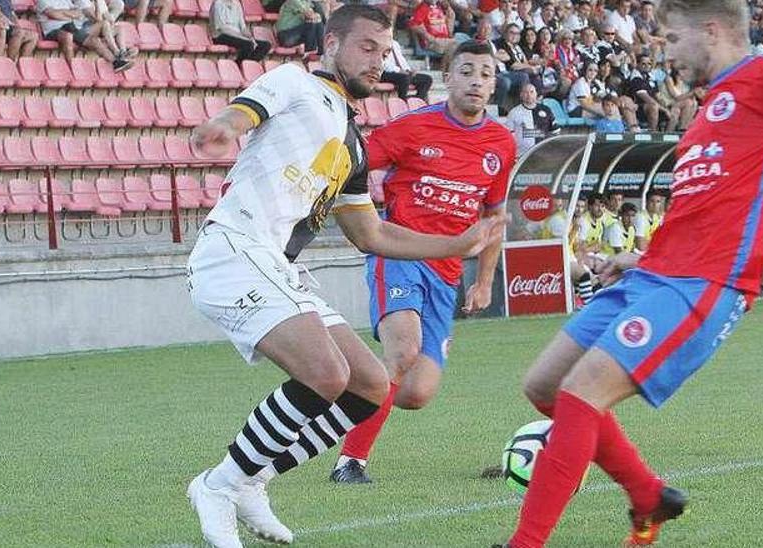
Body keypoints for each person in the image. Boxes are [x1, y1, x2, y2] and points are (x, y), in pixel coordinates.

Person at [492, 0, 763, 544]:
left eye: (671, 39)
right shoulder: (715, 104)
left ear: (710, 30)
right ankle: (648, 495)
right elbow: (706, 206)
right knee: (545, 385)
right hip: (655, 275)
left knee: (579, 394)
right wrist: (640, 258)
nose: (666, 51)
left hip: (706, 284)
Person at [183, 7, 503, 548]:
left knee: (372, 386)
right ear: (331, 43)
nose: (378, 60)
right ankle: (219, 485)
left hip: (277, 265)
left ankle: (254, 479)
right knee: (326, 374)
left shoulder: (353, 144)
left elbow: (373, 235)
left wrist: (458, 244)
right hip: (234, 249)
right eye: (366, 47)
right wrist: (222, 126)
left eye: (384, 51)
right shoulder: (293, 82)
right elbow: (245, 113)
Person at [329, 40, 516, 484]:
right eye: (467, 70)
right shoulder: (411, 127)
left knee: (416, 393)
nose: (476, 81)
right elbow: (347, 167)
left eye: (485, 74)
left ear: (493, 85)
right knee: (403, 351)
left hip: (447, 272)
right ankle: (349, 462)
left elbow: (493, 218)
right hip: (399, 252)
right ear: (447, 76)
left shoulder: (501, 144)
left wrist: (484, 281)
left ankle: (338, 382)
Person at [37, 0, 134, 71]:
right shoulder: (43, 1)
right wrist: (69, 14)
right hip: (53, 30)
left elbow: (78, 13)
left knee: (94, 41)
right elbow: (54, 15)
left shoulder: (65, 1)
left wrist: (64, 13)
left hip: (71, 26)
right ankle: (71, 69)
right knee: (67, 35)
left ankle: (116, 62)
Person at [506, 83, 558, 154]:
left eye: (531, 92)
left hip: (543, 153)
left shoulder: (546, 110)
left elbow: (555, 131)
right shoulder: (514, 112)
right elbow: (508, 135)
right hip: (521, 155)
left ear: (536, 94)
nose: (529, 95)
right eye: (525, 92)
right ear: (521, 95)